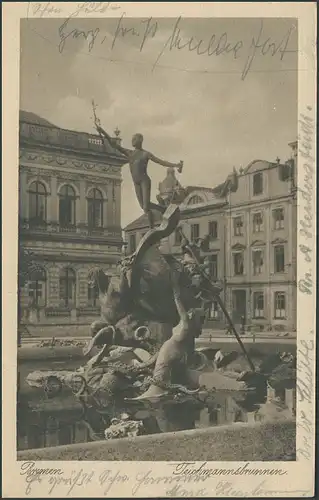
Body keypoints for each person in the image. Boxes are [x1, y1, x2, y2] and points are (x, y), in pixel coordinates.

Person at [95, 122, 183, 228]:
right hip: (136, 182)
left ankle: (156, 221)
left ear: (140, 141)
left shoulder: (145, 154)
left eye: (134, 139)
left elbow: (161, 162)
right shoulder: (130, 153)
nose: (132, 141)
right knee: (144, 207)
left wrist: (176, 165)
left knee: (146, 205)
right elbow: (114, 145)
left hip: (144, 181)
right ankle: (157, 219)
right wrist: (102, 131)